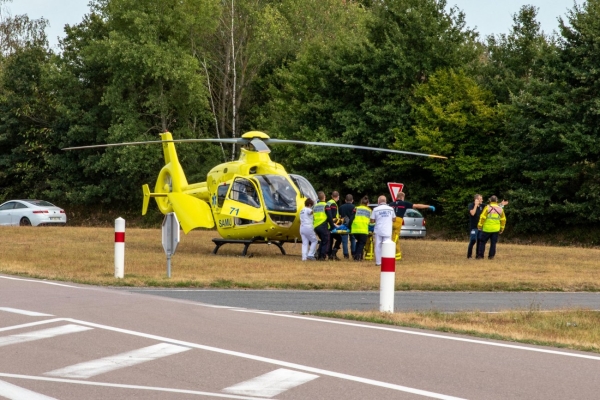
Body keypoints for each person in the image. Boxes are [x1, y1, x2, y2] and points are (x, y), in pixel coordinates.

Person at [389, 192, 435, 260]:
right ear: (402, 197)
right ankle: (389, 253)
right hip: (398, 220)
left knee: (393, 237)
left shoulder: (391, 204)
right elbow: (417, 206)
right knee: (395, 238)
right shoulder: (404, 203)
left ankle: (397, 256)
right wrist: (428, 206)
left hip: (390, 221)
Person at [477, 195, 507, 259]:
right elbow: (503, 220)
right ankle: (491, 256)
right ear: (496, 201)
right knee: (493, 244)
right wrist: (502, 228)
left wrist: (479, 225)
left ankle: (480, 256)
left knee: (482, 242)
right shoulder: (500, 209)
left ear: (490, 200)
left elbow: (482, 217)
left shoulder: (487, 208)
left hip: (486, 229)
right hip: (496, 229)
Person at [370, 195, 396, 266]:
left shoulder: (375, 209)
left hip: (378, 230)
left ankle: (378, 262)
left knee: (378, 245)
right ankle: (387, 261)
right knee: (387, 245)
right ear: (386, 201)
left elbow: (372, 220)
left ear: (378, 201)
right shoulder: (391, 209)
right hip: (388, 230)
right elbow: (394, 219)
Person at [313, 191, 337, 261]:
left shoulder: (315, 206)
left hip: (316, 226)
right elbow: (329, 217)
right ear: (324, 197)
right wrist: (333, 226)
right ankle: (322, 256)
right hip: (322, 225)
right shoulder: (326, 206)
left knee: (323, 240)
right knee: (326, 240)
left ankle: (318, 253)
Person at [349, 196, 371, 261]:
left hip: (355, 229)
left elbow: (351, 218)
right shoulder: (369, 210)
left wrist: (349, 227)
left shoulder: (356, 208)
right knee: (361, 243)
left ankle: (356, 255)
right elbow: (371, 221)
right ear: (367, 203)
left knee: (358, 242)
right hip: (363, 229)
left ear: (361, 202)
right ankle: (358, 256)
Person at [339, 194, 357, 259]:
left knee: (344, 241)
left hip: (344, 225)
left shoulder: (341, 207)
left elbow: (340, 217)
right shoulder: (354, 207)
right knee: (353, 239)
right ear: (352, 200)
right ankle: (354, 253)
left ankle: (346, 254)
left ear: (345, 200)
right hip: (352, 225)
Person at [326, 191, 342, 260]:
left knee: (330, 240)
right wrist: (336, 224)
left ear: (332, 196)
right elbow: (332, 216)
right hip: (332, 225)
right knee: (339, 238)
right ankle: (333, 253)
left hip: (327, 225)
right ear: (338, 197)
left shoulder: (328, 202)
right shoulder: (333, 204)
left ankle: (330, 255)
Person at [467, 194, 484, 259]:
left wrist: (501, 204)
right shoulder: (471, 205)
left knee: (479, 240)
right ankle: (469, 255)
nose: (482, 200)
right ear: (476, 199)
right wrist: (476, 205)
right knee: (473, 240)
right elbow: (472, 213)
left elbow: (492, 207)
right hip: (473, 227)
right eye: (480, 199)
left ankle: (478, 255)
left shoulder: (483, 206)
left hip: (480, 227)